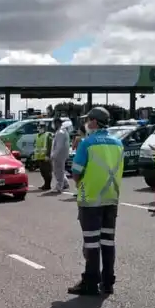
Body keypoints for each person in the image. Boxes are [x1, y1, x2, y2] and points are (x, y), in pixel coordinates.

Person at [69, 107, 124, 296]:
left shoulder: (87, 143)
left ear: (94, 122)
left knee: (91, 243)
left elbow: (76, 172)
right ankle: (108, 282)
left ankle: (90, 283)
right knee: (108, 241)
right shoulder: (118, 143)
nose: (86, 123)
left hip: (90, 198)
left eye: (88, 120)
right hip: (112, 198)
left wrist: (82, 188)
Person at [50, 117, 71, 193]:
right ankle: (65, 183)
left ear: (57, 123)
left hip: (59, 155)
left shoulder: (60, 132)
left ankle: (59, 186)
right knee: (60, 170)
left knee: (58, 171)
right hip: (61, 154)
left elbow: (59, 146)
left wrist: (53, 155)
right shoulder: (62, 131)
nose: (53, 125)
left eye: (54, 123)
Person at [33, 123, 53, 190]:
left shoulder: (48, 135)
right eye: (39, 127)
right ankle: (45, 184)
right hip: (40, 157)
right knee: (43, 172)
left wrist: (48, 155)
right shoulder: (37, 135)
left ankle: (48, 185)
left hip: (46, 157)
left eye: (42, 127)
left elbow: (50, 146)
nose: (40, 128)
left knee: (47, 172)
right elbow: (36, 146)